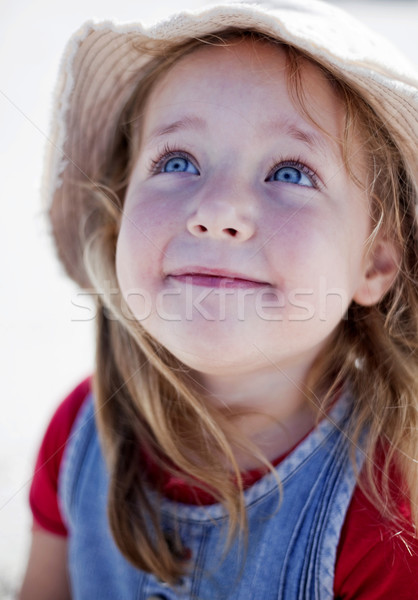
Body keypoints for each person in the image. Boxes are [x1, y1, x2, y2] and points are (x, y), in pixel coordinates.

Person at [19, 1, 418, 598]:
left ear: (375, 261)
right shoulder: (82, 433)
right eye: (178, 161)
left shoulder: (386, 518)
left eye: (289, 172)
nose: (216, 213)